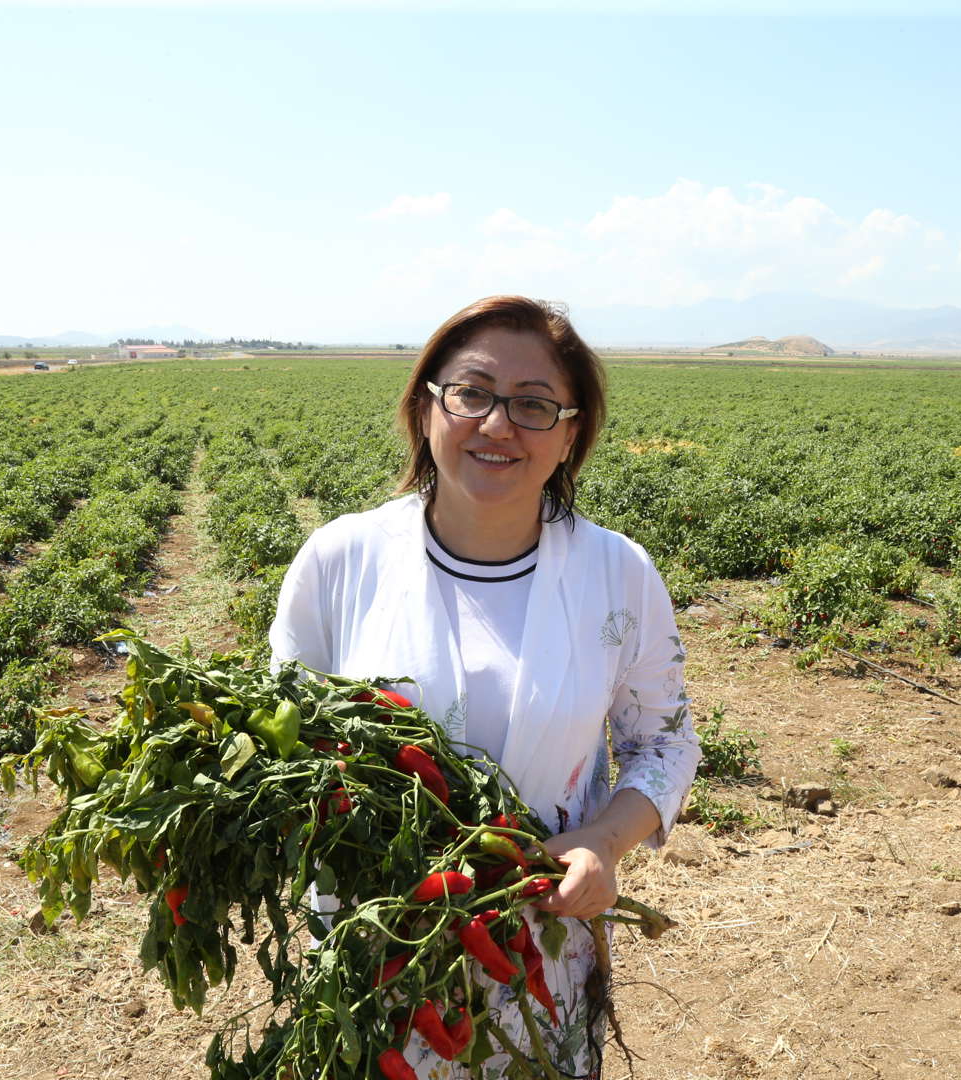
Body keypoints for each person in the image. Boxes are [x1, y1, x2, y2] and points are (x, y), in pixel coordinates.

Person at [270, 296, 701, 1078]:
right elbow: (286, 747)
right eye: (472, 393)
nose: (498, 425)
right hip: (381, 951)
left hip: (545, 949)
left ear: (571, 433)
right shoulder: (341, 562)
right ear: (425, 406)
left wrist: (604, 844)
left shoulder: (619, 576)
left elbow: (664, 740)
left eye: (534, 405)